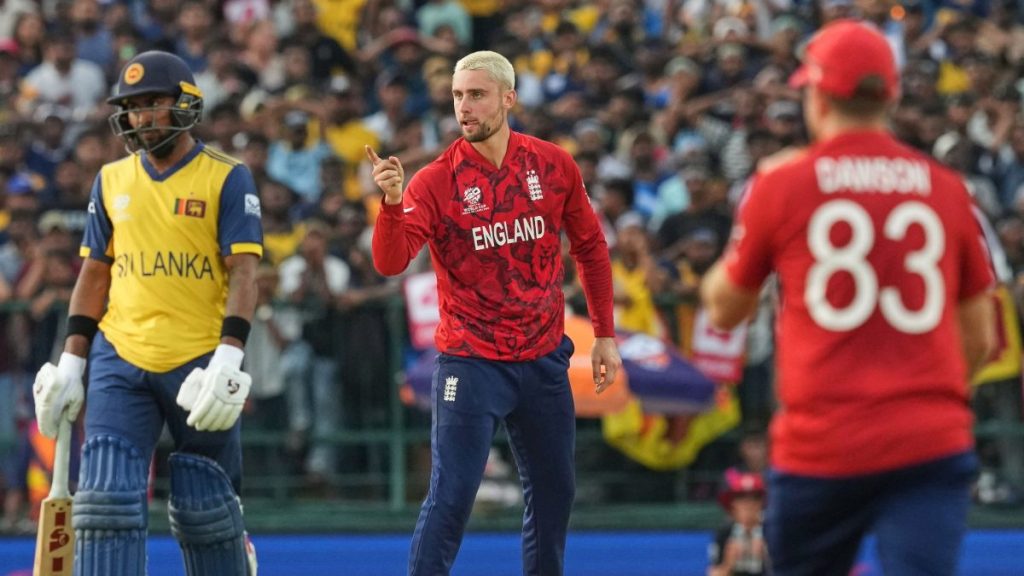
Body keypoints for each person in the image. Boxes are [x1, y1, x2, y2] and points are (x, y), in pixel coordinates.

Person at [701, 20, 997, 576]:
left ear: (817, 94)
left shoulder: (784, 183)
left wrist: (753, 205)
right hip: (927, 441)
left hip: (821, 446)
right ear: (891, 93)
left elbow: (723, 307)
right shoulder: (947, 188)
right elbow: (979, 339)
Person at [367, 50, 621, 576]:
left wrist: (605, 334)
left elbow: (592, 247)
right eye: (458, 96)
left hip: (544, 356)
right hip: (470, 360)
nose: (465, 107)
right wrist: (391, 206)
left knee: (556, 493)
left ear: (509, 98)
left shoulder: (553, 164)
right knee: (455, 493)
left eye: (477, 94)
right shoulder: (435, 181)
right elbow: (391, 262)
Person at [30, 50, 262, 576]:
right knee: (106, 503)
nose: (141, 116)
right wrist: (72, 361)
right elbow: (94, 274)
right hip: (121, 356)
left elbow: (245, 273)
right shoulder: (111, 179)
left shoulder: (227, 176)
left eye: (154, 102)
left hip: (200, 362)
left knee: (206, 510)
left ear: (185, 105)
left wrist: (229, 357)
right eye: (132, 107)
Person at [707, 468, 768, 576]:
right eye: (741, 497)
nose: (748, 503)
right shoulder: (725, 533)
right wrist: (728, 564)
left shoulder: (772, 531)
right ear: (732, 503)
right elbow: (713, 573)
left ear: (762, 502)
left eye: (755, 497)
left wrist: (768, 557)